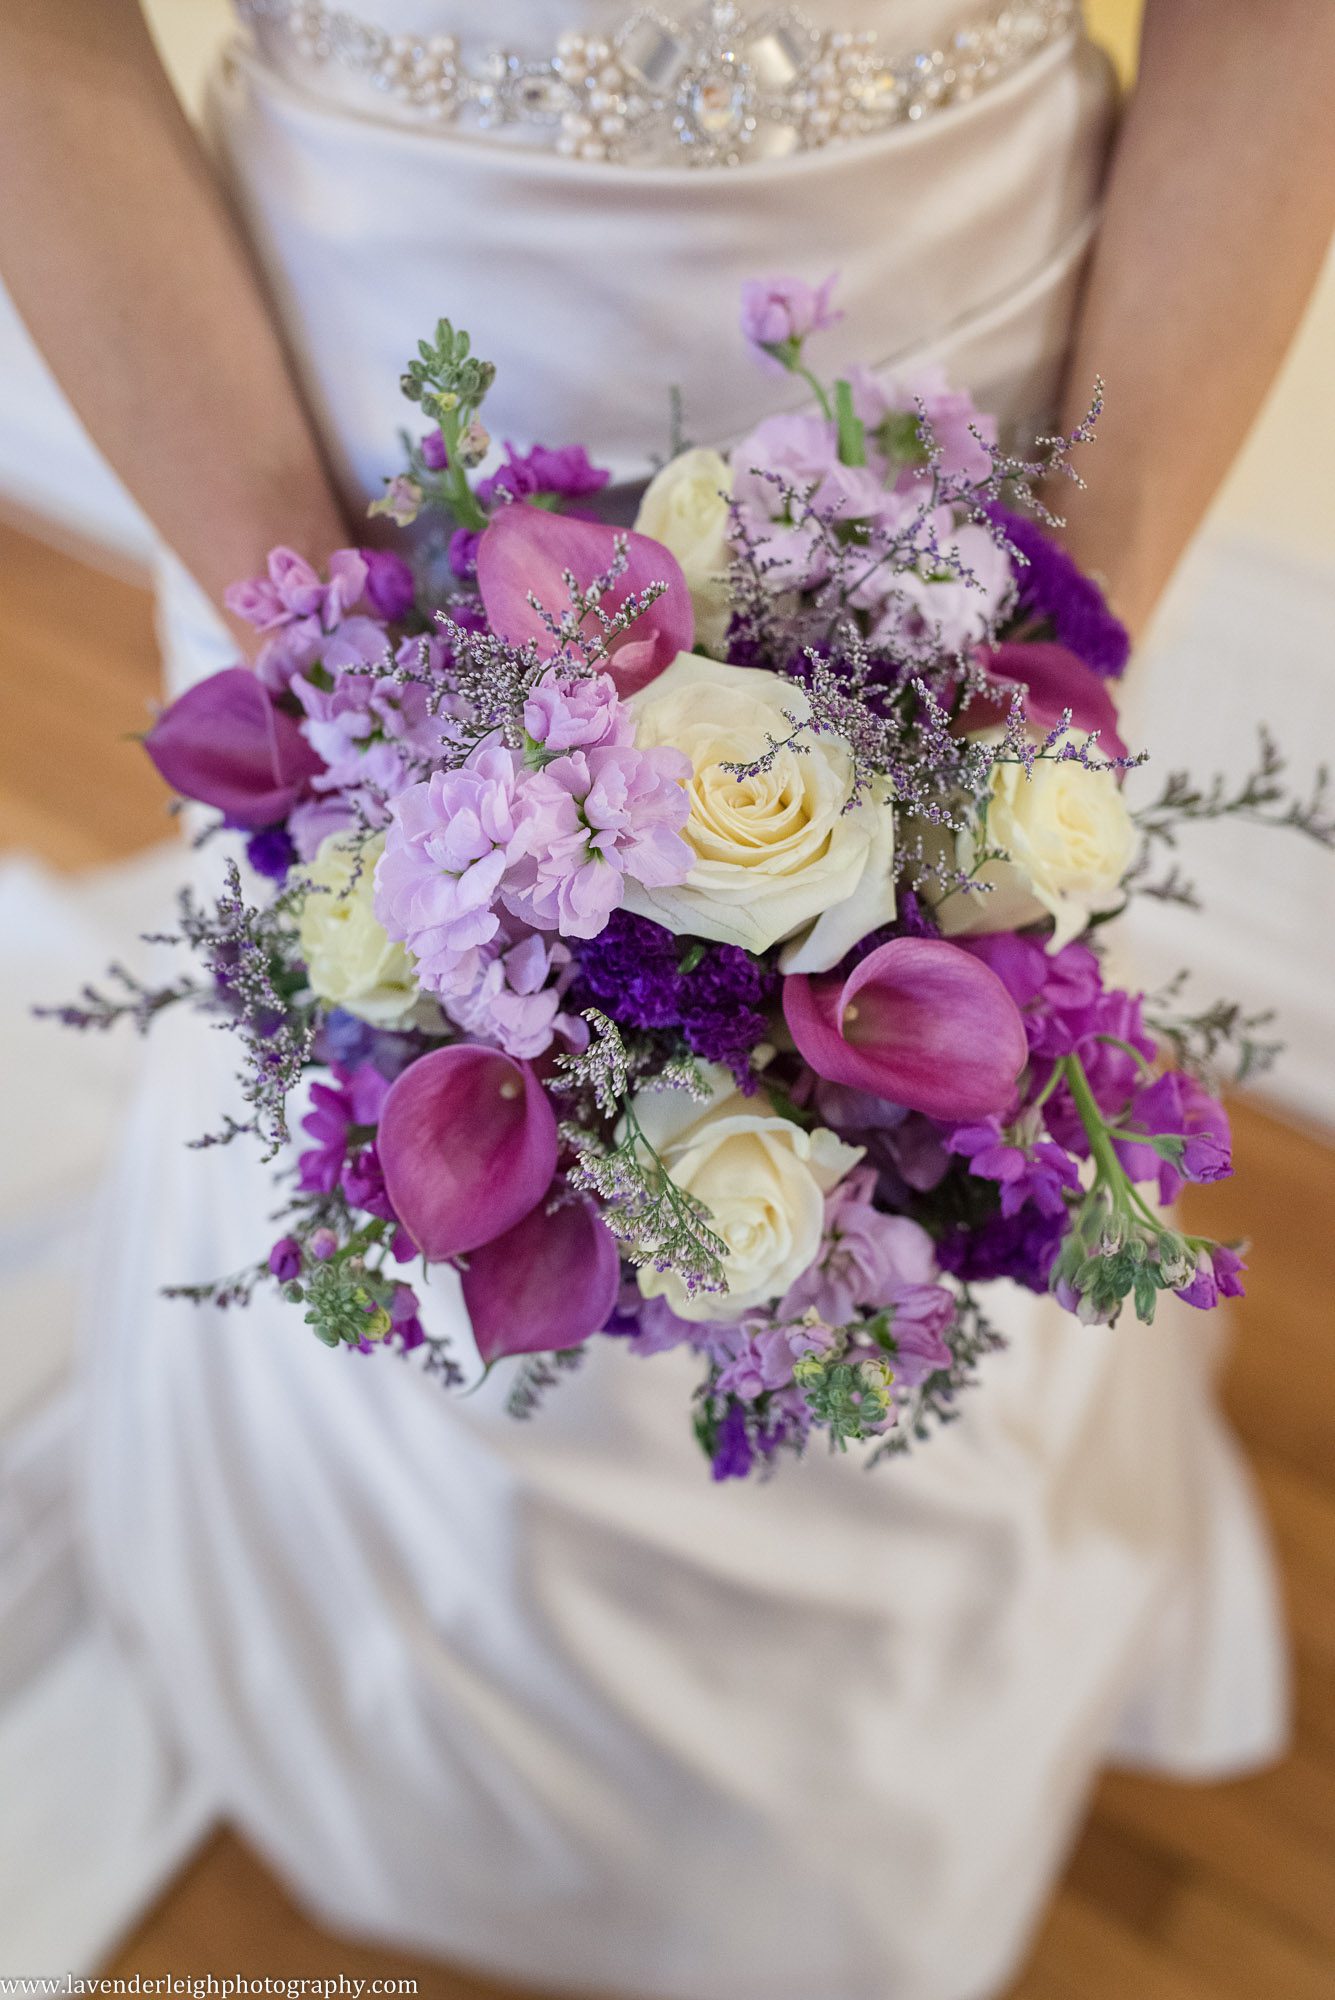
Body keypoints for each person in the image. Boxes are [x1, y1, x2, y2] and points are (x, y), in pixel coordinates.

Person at [1, 3, 1331, 1995]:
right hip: (336, 389)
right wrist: (340, 668)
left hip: (950, 377)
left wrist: (1053, 648)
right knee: (402, 1156)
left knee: (945, 1169)